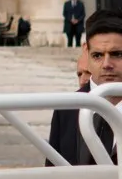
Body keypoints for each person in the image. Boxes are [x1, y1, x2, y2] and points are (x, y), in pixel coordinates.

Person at [47, 10, 122, 166]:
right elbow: (53, 175)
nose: (107, 64)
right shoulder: (66, 108)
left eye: (117, 54)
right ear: (86, 53)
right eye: (97, 55)